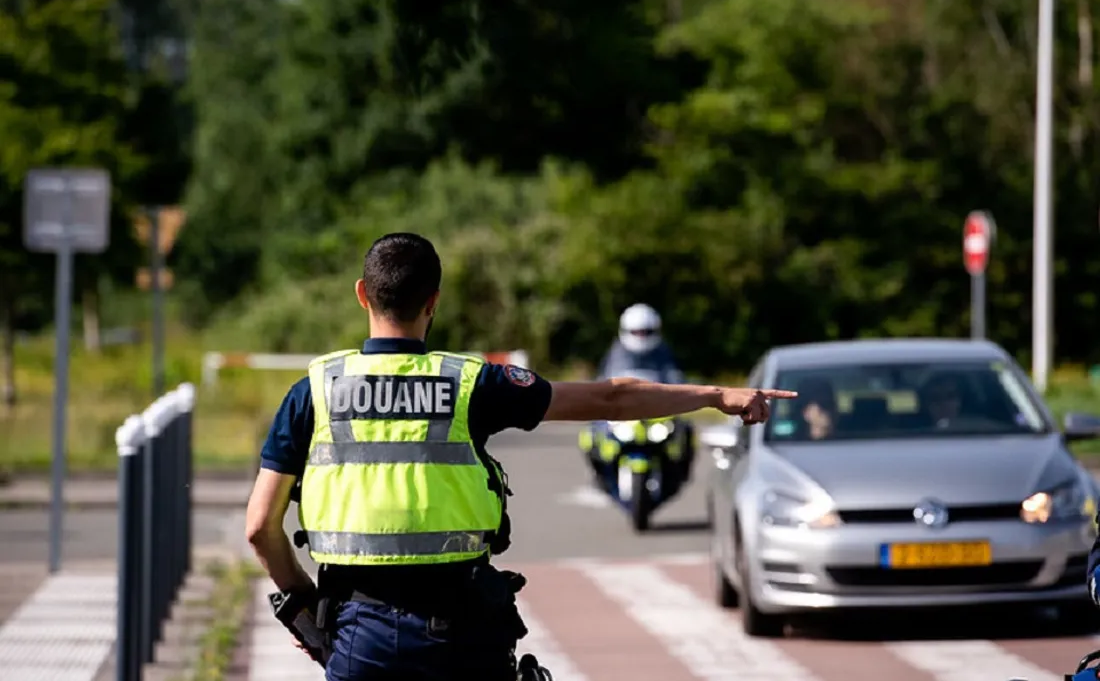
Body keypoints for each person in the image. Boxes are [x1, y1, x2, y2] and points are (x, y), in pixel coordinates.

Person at [244, 232, 797, 681]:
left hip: (358, 632)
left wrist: (307, 606)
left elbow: (259, 529)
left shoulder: (314, 392)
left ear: (363, 294)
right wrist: (717, 396)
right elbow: (611, 396)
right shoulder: (470, 383)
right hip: (461, 631)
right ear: (434, 300)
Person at [598, 303, 683, 383]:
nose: (641, 337)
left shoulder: (663, 354)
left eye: (646, 332)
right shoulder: (615, 356)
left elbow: (677, 385)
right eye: (636, 332)